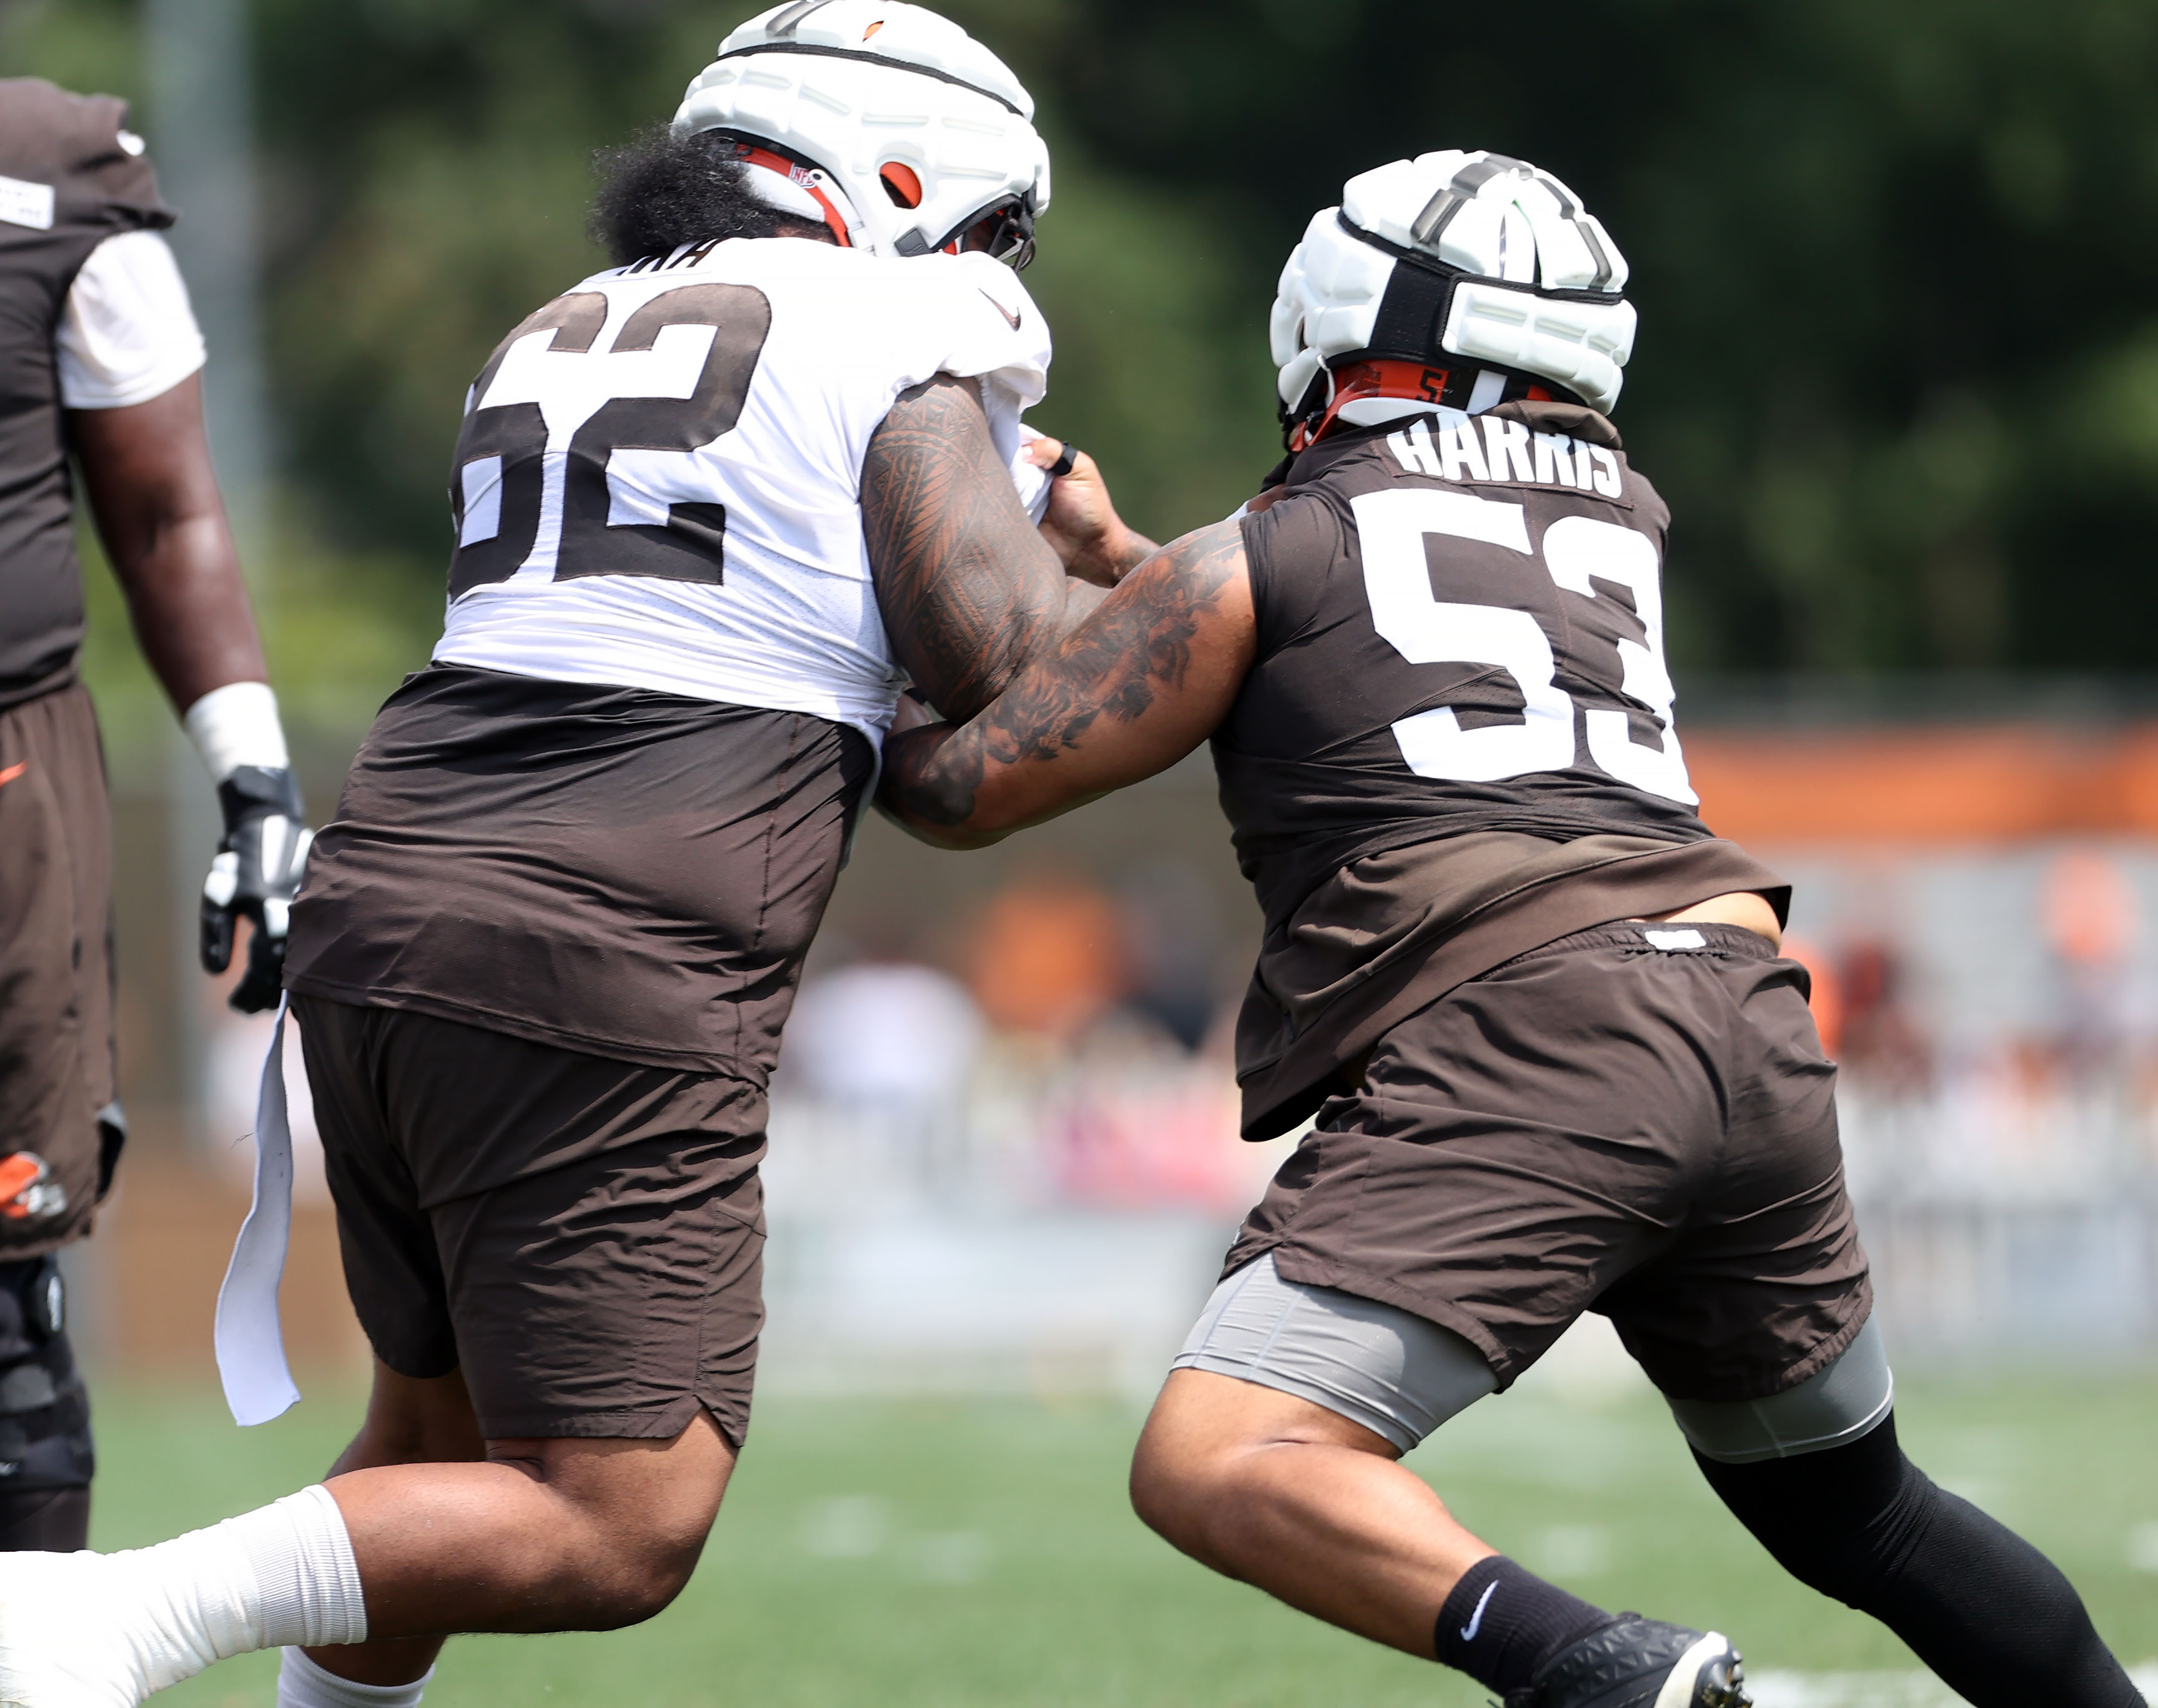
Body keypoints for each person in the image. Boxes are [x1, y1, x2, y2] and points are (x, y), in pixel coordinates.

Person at [875, 152, 2145, 1708]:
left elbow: (960, 790)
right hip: (1738, 1007)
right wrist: (1133, 564)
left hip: (1535, 1035)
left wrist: (846, 635)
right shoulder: (1621, 520)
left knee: (1221, 1455)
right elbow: (1374, 658)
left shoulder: (1258, 557)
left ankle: (1603, 1676)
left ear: (1344, 330)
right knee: (1857, 1508)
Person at [0, 6, 1154, 1705]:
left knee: (426, 1435)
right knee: (622, 1523)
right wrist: (1140, 567)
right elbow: (1017, 687)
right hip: (611, 929)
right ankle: (94, 1622)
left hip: (388, 892)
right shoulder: (904, 311)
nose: (999, 265)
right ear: (905, 180)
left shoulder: (559, 324)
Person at [0, 82, 307, 1555]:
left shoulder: (50, 173)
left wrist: (253, 772)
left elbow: (166, 509)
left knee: (8, 1304)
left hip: (4, 786)